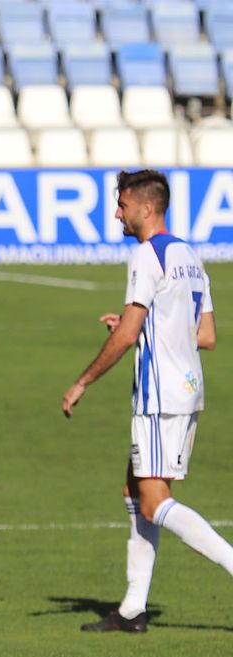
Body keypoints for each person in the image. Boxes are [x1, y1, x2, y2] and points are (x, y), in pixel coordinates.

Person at [62, 168, 230, 631]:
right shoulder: (190, 255)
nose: (118, 212)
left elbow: (131, 334)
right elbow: (207, 335)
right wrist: (147, 326)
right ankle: (133, 609)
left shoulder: (145, 255)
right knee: (135, 492)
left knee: (154, 502)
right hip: (189, 389)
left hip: (160, 395)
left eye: (122, 204)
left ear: (145, 207)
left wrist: (82, 381)